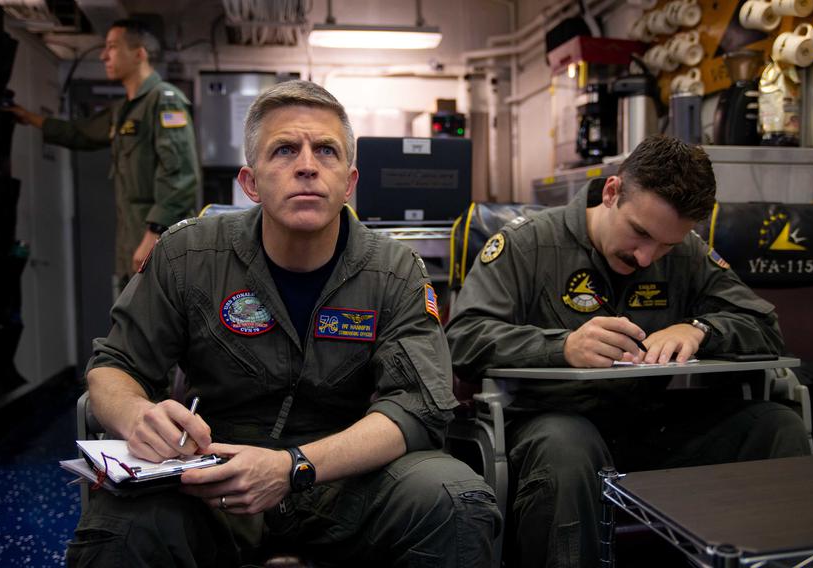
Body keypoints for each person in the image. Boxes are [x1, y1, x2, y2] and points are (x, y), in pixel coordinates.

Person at [66, 80, 500, 567]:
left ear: (349, 182)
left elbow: (419, 407)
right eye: (285, 150)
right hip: (213, 479)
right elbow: (114, 365)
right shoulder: (188, 255)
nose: (308, 165)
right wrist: (134, 415)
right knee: (120, 529)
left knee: (455, 498)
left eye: (327, 151)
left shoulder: (394, 270)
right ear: (250, 182)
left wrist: (294, 467)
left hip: (343, 476)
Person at [445, 135, 811, 568]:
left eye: (666, 246)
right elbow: (463, 339)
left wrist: (700, 330)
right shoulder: (528, 246)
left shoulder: (688, 254)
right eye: (640, 233)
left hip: (651, 420)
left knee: (775, 425)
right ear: (612, 192)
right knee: (567, 446)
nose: (646, 256)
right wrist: (562, 347)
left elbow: (765, 326)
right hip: (552, 421)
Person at [6, 19, 199, 291]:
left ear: (139, 53)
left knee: (159, 325)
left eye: (111, 47)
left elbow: (179, 174)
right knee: (128, 323)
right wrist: (30, 118)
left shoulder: (164, 100)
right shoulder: (123, 111)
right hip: (131, 238)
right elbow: (81, 133)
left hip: (159, 240)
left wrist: (154, 233)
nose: (103, 55)